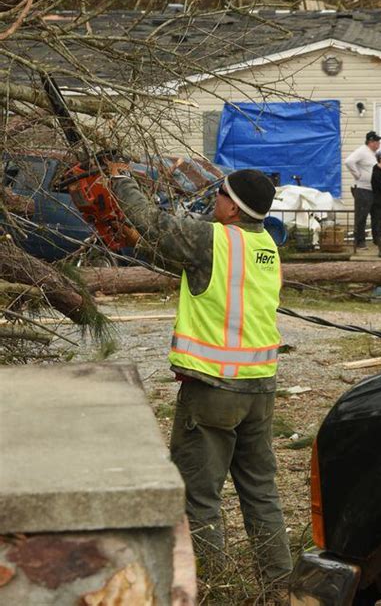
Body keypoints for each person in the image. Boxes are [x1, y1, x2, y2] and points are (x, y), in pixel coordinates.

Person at [107, 164, 292, 601]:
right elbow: (174, 256)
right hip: (260, 387)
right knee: (261, 493)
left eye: (221, 195)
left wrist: (118, 180)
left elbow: (154, 224)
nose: (215, 201)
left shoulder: (214, 239)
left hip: (213, 389)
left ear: (234, 207)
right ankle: (281, 587)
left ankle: (212, 587)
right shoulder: (266, 245)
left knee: (200, 497)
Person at [344, 131, 381, 249]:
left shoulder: (373, 154)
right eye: (376, 142)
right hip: (362, 189)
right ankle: (359, 242)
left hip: (373, 189)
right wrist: (357, 174)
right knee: (361, 216)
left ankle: (377, 240)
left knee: (376, 215)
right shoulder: (362, 151)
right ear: (370, 142)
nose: (378, 144)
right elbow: (348, 161)